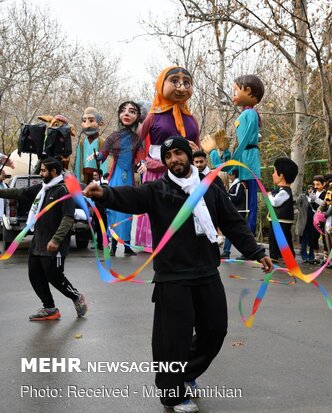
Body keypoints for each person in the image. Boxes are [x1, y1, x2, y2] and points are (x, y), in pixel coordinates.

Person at [84, 137, 273, 413]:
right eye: (169, 156)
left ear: (188, 154)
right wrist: (104, 193)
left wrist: (256, 251)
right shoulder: (159, 189)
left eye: (178, 154)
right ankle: (172, 394)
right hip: (172, 276)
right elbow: (132, 197)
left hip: (207, 271)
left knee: (215, 330)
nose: (174, 160)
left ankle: (185, 372)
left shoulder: (210, 188)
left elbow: (232, 222)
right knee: (172, 340)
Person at [0, 157, 87, 321]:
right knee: (34, 274)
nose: (40, 173)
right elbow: (19, 193)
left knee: (54, 276)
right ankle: (49, 308)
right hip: (39, 242)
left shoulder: (64, 191)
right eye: (40, 170)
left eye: (43, 170)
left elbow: (67, 218)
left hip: (55, 244)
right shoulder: (42, 188)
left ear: (54, 171)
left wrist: (56, 240)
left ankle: (76, 297)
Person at [136, 66, 201, 250]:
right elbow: (137, 142)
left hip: (185, 174)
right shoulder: (153, 116)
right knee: (160, 209)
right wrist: (144, 162)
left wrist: (198, 154)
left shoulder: (191, 119)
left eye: (186, 83)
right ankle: (156, 244)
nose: (181, 88)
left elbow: (197, 145)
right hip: (158, 172)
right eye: (175, 82)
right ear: (161, 84)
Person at [90, 101, 144, 256]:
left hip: (129, 180)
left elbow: (140, 156)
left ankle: (126, 245)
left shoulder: (136, 139)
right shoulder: (113, 136)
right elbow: (103, 153)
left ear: (137, 116)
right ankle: (112, 245)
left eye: (132, 111)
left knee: (128, 211)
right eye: (123, 110)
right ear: (119, 114)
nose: (127, 114)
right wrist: (97, 156)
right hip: (115, 178)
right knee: (113, 209)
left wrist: (143, 163)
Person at [228, 75, 264, 235]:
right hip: (244, 158)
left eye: (236, 90)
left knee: (252, 203)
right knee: (244, 202)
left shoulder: (251, 114)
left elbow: (245, 139)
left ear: (248, 91)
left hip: (249, 159)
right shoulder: (244, 114)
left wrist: (233, 162)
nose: (233, 94)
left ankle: (250, 234)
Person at [267, 158, 298, 262]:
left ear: (281, 175)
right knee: (272, 237)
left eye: (274, 171)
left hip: (282, 220)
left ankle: (289, 256)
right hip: (276, 219)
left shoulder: (285, 192)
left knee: (284, 239)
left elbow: (276, 202)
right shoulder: (279, 190)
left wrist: (269, 197)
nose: (273, 174)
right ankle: (273, 255)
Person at [73, 107, 108, 183]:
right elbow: (79, 160)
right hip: (84, 174)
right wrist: (77, 177)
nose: (87, 125)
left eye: (91, 120)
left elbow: (104, 162)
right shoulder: (82, 142)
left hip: (97, 175)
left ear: (100, 123)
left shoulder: (102, 142)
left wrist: (103, 177)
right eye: (84, 121)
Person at [221, 168, 247, 259]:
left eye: (229, 175)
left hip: (239, 211)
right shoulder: (235, 184)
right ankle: (226, 252)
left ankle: (246, 252)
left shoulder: (239, 184)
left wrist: (225, 194)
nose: (229, 177)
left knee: (241, 232)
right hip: (235, 210)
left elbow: (236, 198)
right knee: (230, 231)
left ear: (233, 175)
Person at [296, 185, 315, 263]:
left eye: (312, 189)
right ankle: (304, 256)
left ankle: (311, 256)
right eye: (309, 189)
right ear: (307, 190)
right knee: (303, 240)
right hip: (303, 222)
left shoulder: (315, 198)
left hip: (312, 222)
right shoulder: (302, 196)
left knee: (312, 240)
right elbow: (297, 203)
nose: (311, 190)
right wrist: (299, 210)